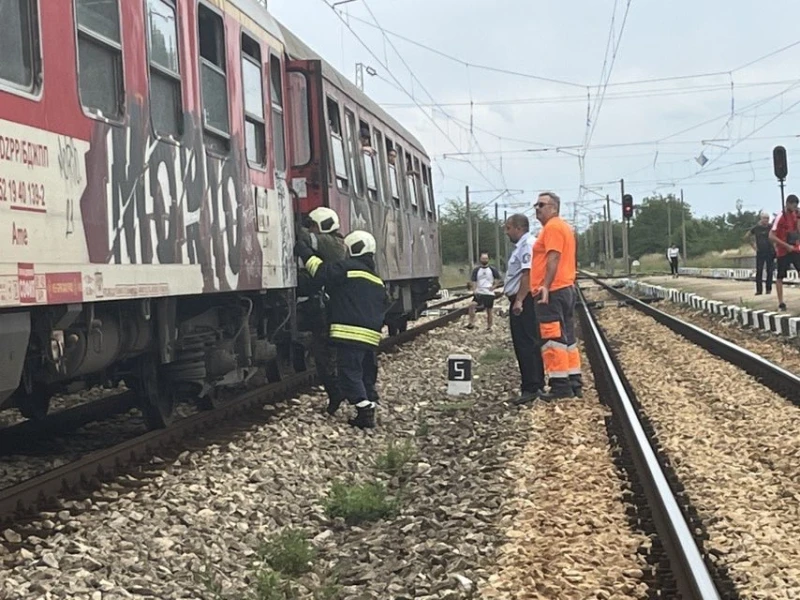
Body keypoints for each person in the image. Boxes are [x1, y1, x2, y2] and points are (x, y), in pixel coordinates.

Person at [294, 230, 385, 429]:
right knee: (367, 371)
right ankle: (371, 399)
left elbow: (320, 272)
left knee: (349, 373)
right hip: (371, 337)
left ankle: (364, 410)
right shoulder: (376, 279)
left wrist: (305, 252)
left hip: (349, 334)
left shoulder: (347, 269)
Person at [524, 191, 581, 402]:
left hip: (553, 290)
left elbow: (553, 257)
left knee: (552, 338)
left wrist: (545, 286)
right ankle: (573, 380)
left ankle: (560, 385)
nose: (537, 208)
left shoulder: (553, 228)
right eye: (536, 205)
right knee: (567, 338)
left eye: (541, 204)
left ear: (554, 208)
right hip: (564, 288)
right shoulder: (562, 227)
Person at [296, 207, 347, 411]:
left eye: (314, 226)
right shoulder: (334, 243)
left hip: (333, 309)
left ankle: (338, 394)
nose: (311, 229)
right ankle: (341, 393)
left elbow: (305, 239)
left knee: (326, 355)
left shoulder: (331, 243)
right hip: (332, 307)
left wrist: (295, 226)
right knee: (328, 354)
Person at [504, 214, 546, 404]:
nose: (507, 232)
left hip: (524, 299)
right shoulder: (524, 245)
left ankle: (532, 386)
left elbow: (527, 274)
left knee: (526, 343)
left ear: (518, 228)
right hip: (523, 298)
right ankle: (534, 383)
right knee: (528, 341)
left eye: (508, 228)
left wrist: (519, 300)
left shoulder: (527, 245)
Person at [768, 194, 800, 311]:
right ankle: (781, 302)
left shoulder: (795, 215)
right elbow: (771, 235)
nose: (795, 206)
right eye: (793, 204)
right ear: (787, 204)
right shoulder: (780, 216)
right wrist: (785, 245)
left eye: (796, 204)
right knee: (780, 276)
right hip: (783, 250)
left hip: (795, 247)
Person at [466, 252, 501, 330]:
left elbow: (498, 278)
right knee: (472, 305)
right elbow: (474, 280)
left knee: (489, 311)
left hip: (489, 293)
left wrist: (494, 287)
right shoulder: (476, 270)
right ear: (480, 259)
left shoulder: (492, 269)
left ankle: (489, 326)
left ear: (488, 259)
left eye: (486, 258)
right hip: (479, 292)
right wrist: (474, 289)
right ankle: (471, 323)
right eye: (483, 258)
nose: (484, 260)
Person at [745, 212, 775, 296]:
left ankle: (768, 289)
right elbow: (747, 236)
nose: (766, 220)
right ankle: (759, 290)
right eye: (764, 218)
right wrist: (753, 246)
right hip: (760, 252)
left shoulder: (771, 227)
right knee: (759, 271)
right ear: (761, 219)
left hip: (770, 251)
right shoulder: (756, 228)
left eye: (767, 218)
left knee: (770, 271)